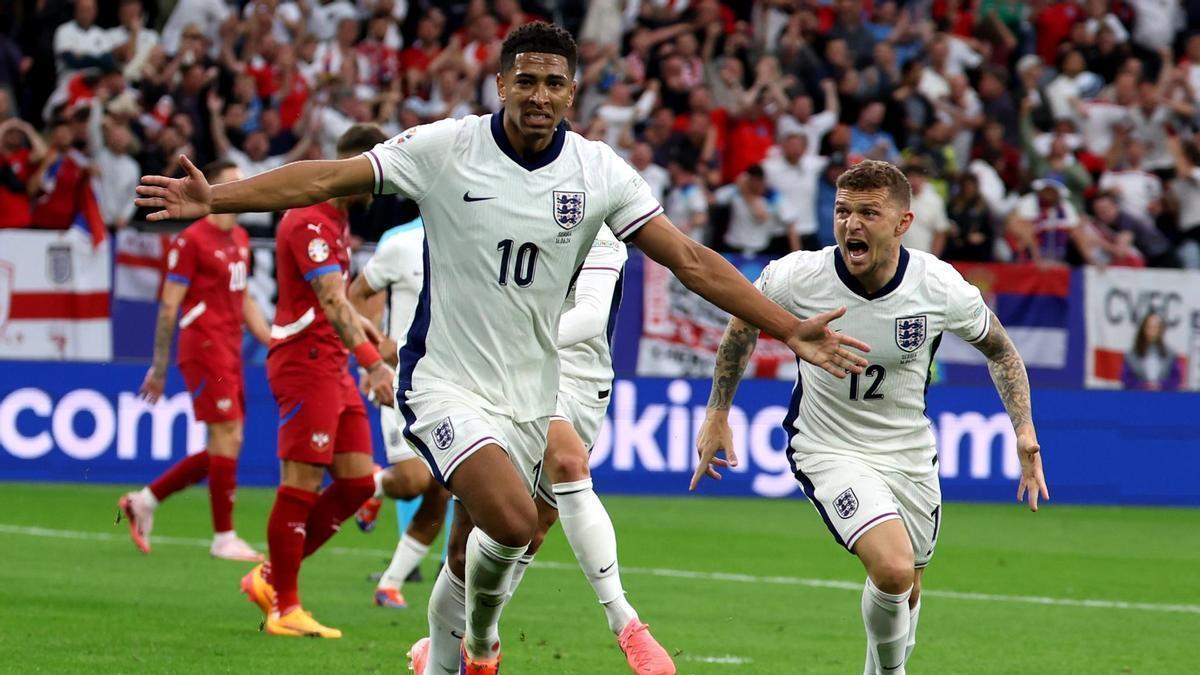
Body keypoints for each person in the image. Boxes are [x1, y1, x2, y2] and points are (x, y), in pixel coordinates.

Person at [136, 22, 869, 669]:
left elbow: (690, 260)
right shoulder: (446, 148)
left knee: (471, 547)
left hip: (530, 392)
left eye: (554, 82)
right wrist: (218, 199)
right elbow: (329, 175)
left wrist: (785, 325)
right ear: (500, 84)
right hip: (446, 381)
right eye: (526, 80)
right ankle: (483, 650)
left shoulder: (597, 170)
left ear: (573, 93)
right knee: (513, 521)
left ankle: (446, 659)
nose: (540, 94)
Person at [693, 160, 1049, 675]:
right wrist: (718, 411)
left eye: (868, 213)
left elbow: (1001, 351)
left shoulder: (939, 286)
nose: (850, 224)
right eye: (842, 211)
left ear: (903, 223)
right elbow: (742, 326)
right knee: (892, 566)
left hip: (908, 454)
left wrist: (1023, 429)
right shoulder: (797, 276)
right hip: (828, 446)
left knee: (907, 588)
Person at [415, 227, 675, 675]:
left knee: (530, 533)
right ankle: (625, 622)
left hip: (579, 383)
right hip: (510, 376)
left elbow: (592, 316)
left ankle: (474, 649)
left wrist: (515, 336)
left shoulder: (597, 229)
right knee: (467, 545)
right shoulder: (498, 216)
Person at [240, 124, 398, 639]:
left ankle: (269, 577)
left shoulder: (336, 222)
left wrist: (366, 330)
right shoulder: (309, 221)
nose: (375, 190)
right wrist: (374, 362)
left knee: (355, 483)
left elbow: (335, 300)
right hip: (306, 362)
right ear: (351, 163)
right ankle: (284, 606)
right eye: (370, 176)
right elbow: (330, 301)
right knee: (301, 483)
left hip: (332, 362)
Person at [119, 160, 271, 562]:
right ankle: (223, 536)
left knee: (228, 442)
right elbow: (169, 308)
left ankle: (145, 500)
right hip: (203, 349)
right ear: (212, 188)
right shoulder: (192, 241)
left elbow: (244, 299)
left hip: (229, 348)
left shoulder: (239, 237)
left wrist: (271, 339)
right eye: (233, 183)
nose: (243, 189)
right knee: (227, 438)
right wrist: (160, 367)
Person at [346, 216, 452, 609]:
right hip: (400, 382)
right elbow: (356, 295)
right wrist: (370, 356)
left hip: (451, 385)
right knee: (411, 482)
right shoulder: (401, 243)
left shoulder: (475, 239)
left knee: (443, 489)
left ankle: (390, 583)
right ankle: (376, 485)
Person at [1121, 311, 1182, 391]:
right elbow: (1126, 379)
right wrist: (1143, 385)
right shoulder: (1132, 354)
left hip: (1164, 398)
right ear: (1143, 329)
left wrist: (1161, 385)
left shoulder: (1170, 353)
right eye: (1149, 327)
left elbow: (1176, 379)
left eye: (1156, 327)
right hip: (1138, 398)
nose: (1153, 331)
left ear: (1161, 330)